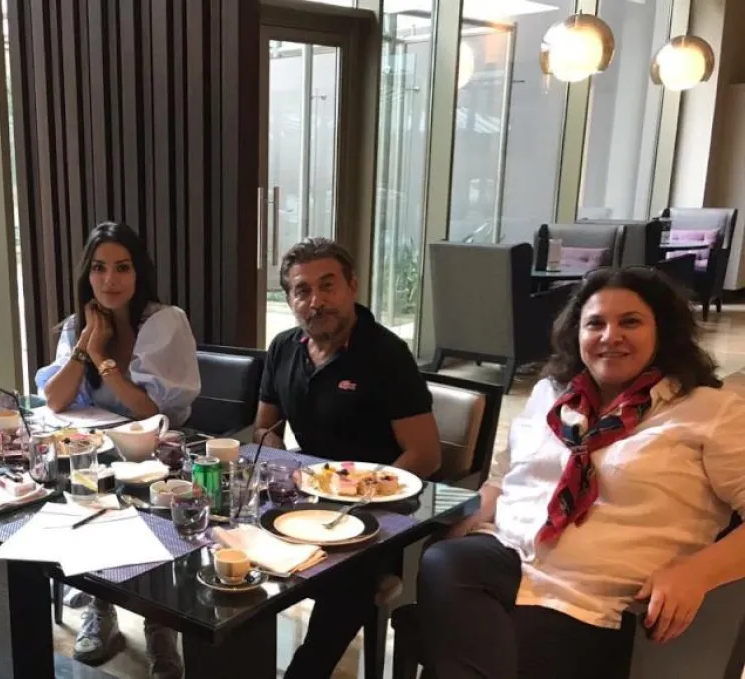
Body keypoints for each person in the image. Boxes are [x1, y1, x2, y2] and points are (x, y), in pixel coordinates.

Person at [416, 267, 745, 679]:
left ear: (663, 330)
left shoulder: (710, 411)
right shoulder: (551, 394)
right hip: (508, 555)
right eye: (595, 324)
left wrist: (697, 573)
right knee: (444, 559)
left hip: (596, 597)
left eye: (630, 322)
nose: (610, 336)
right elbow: (503, 476)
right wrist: (465, 515)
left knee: (482, 649)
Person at [252, 237, 442, 678]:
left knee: (348, 579)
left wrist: (363, 495)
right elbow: (263, 428)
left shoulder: (386, 355)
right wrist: (272, 445)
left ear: (352, 286)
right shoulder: (283, 348)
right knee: (231, 543)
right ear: (291, 300)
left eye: (328, 285)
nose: (316, 301)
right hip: (306, 499)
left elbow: (426, 455)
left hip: (379, 512)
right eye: (302, 291)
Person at [36, 222, 200, 679]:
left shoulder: (164, 322)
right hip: (102, 452)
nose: (110, 280)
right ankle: (101, 607)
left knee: (152, 518)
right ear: (86, 274)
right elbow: (55, 400)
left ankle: (160, 624)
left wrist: (102, 359)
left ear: (138, 272)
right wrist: (85, 344)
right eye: (99, 268)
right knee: (82, 496)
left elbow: (149, 409)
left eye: (122, 268)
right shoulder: (80, 325)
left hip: (159, 452)